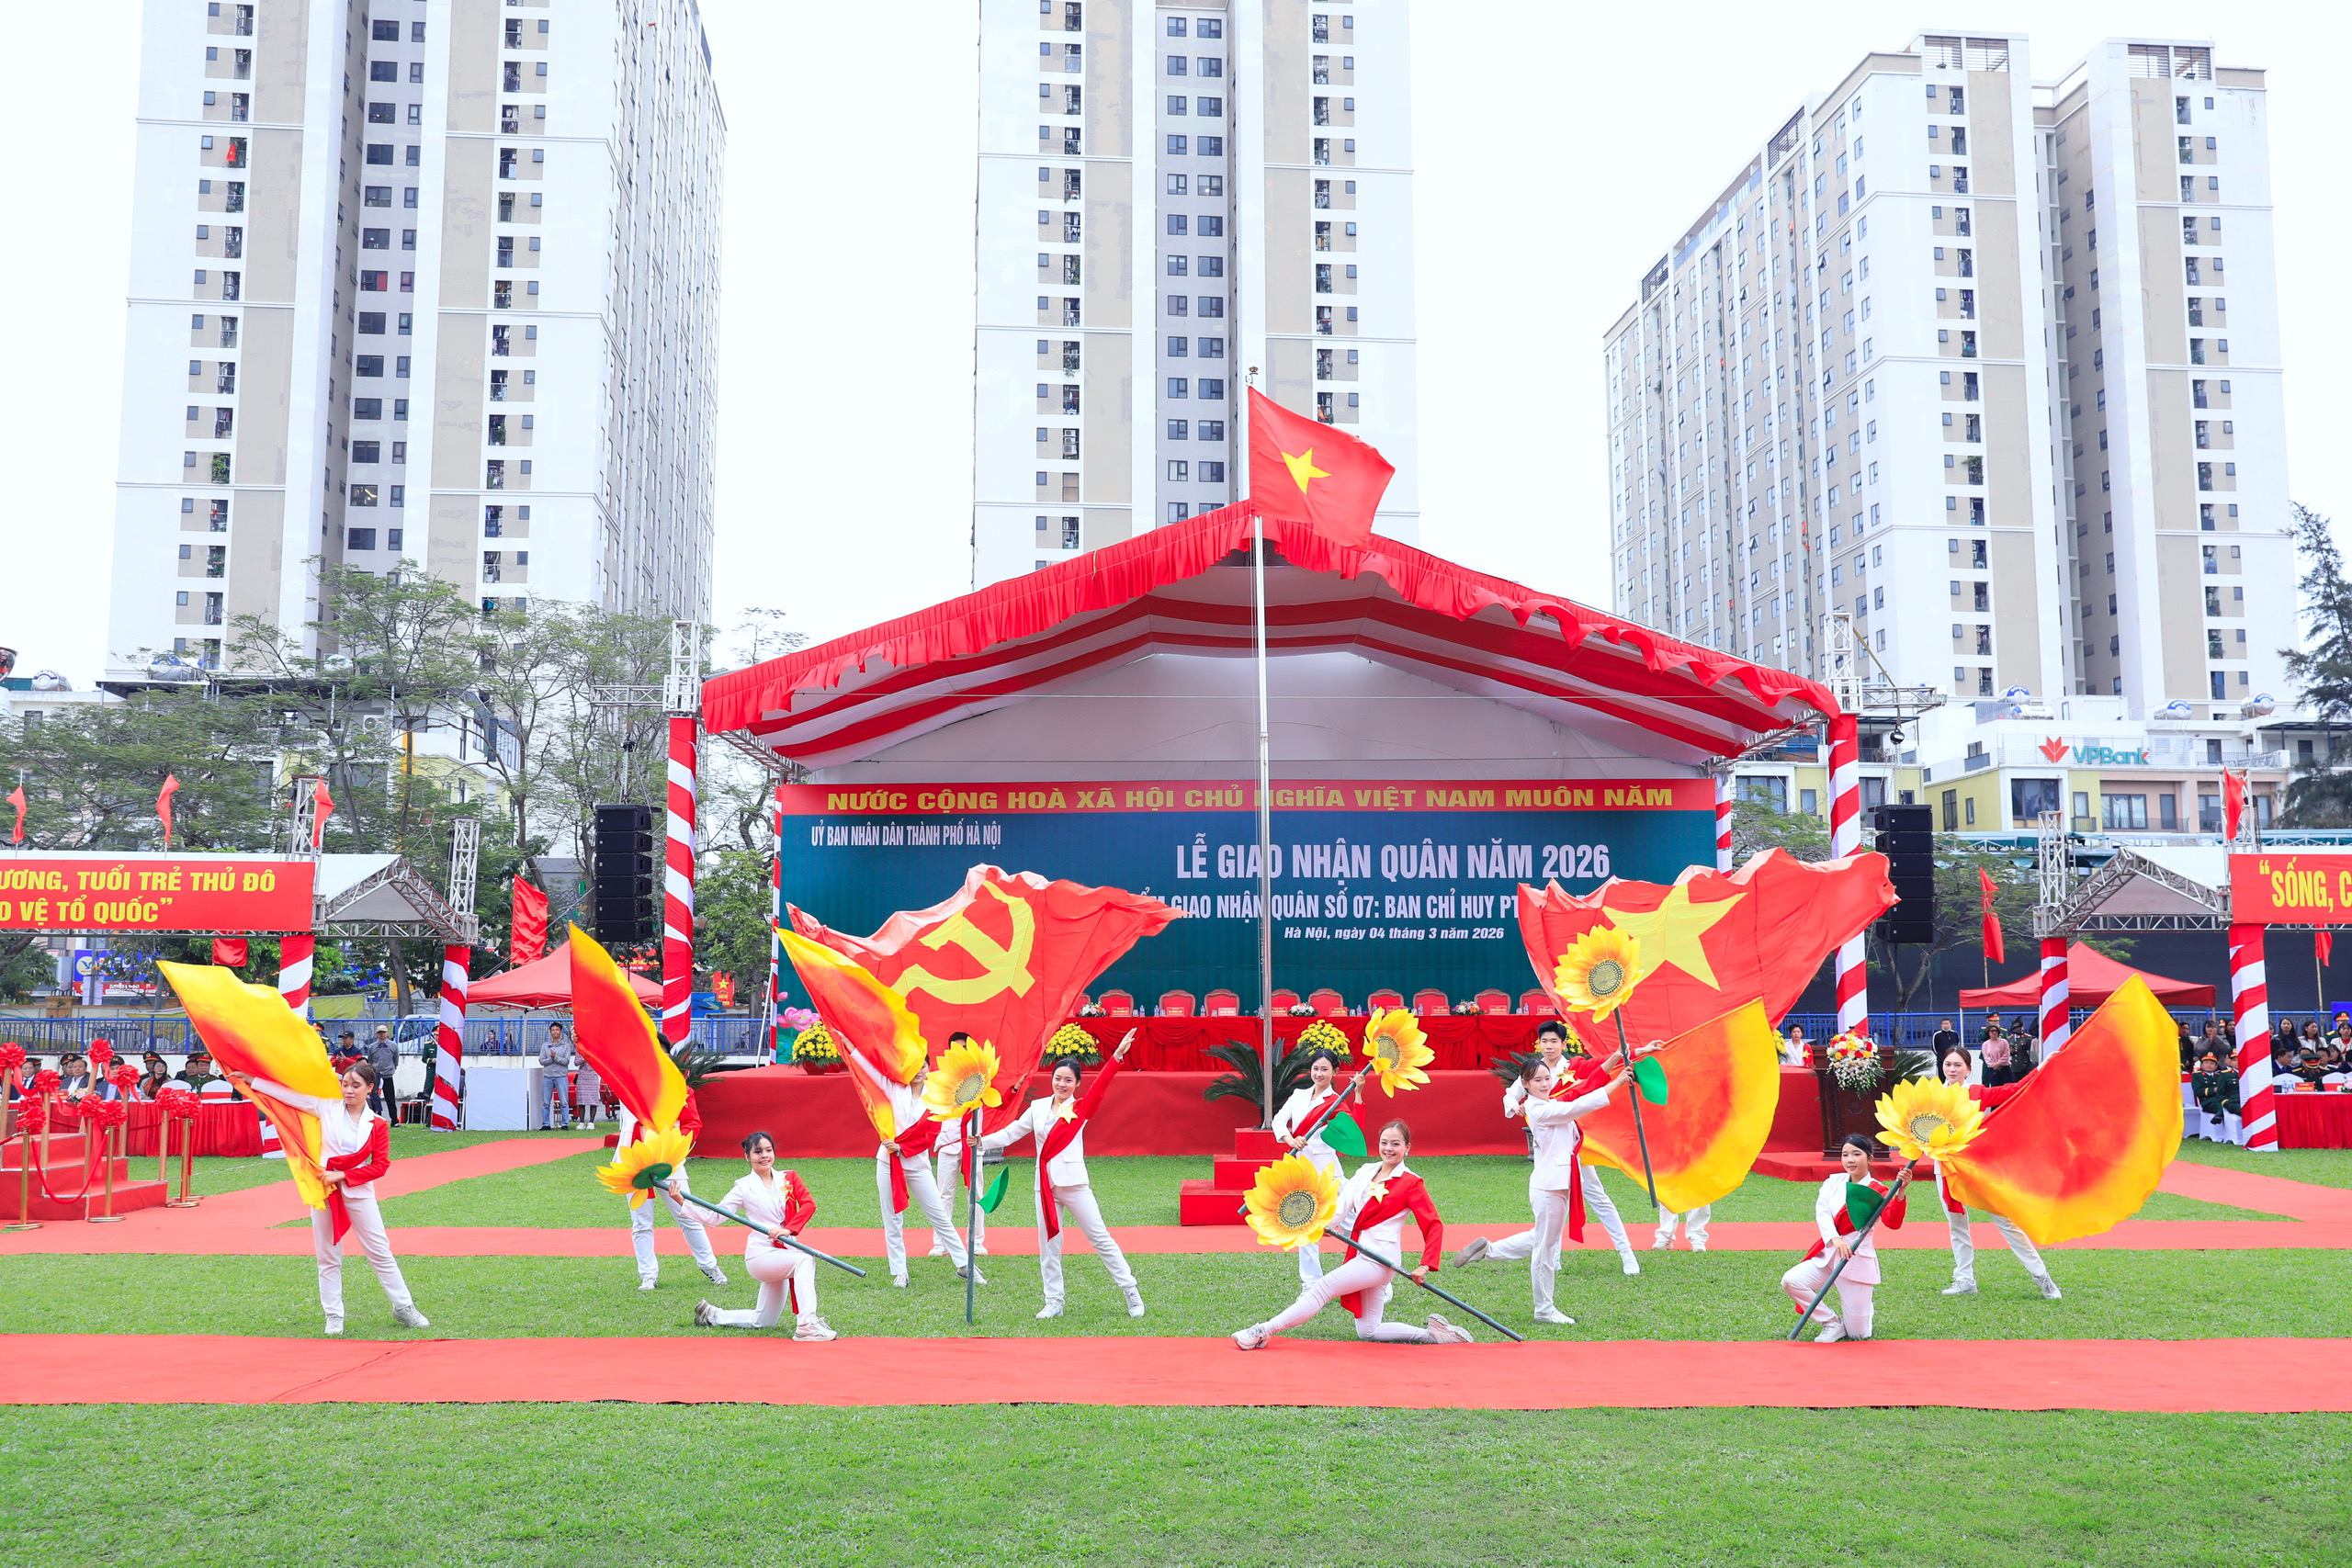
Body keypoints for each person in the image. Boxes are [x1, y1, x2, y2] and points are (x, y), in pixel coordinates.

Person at [1454, 1038, 1653, 1323]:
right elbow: (1581, 1104)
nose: (1546, 1083)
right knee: (1545, 1250)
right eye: (1538, 1080)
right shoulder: (1539, 1109)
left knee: (1542, 1238)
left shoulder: (1549, 1102)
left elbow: (1583, 1086)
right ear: (1526, 1084)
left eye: (1547, 1078)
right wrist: (1618, 1083)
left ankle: (1490, 1251)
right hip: (1549, 1187)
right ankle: (1544, 1309)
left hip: (1556, 1184)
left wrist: (1626, 1056)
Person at [1232, 1119, 1474, 1349]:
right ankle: (1433, 1334)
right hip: (1363, 1254)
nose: (1388, 1149)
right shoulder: (1365, 1171)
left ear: (1407, 1148)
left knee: (1321, 1288)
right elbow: (1342, 1207)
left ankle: (1262, 1331)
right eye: (1384, 1142)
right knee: (1368, 1330)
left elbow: (1433, 1225)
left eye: (1396, 1144)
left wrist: (1425, 1265)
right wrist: (1323, 1225)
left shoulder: (1411, 1183)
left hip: (1380, 1259)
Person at [228, 1061, 429, 1335]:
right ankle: (334, 1315)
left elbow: (380, 1165)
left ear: (370, 1088)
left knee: (380, 1251)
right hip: (325, 1193)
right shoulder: (326, 1107)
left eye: (355, 1085)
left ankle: (403, 1307)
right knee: (328, 1256)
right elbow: (288, 1096)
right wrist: (251, 1080)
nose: (348, 1090)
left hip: (358, 1193)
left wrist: (343, 1176)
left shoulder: (378, 1124)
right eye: (345, 1084)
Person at [979, 1031, 1145, 1320]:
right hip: (1044, 1186)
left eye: (1069, 1080)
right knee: (1049, 1246)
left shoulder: (1080, 1109)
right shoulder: (1037, 1107)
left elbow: (1102, 1087)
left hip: (1074, 1184)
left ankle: (1131, 1291)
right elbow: (1012, 1132)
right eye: (1058, 1078)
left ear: (1077, 1084)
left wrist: (1117, 1056)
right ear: (1052, 1079)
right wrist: (982, 1141)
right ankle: (1054, 1301)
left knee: (1100, 1238)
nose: (1062, 1084)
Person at [1930, 1046, 2061, 1299]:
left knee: (2005, 1221)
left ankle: (2042, 1277)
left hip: (1977, 1166)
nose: (1952, 1069)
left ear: (1969, 1068)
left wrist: (2043, 1066)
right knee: (1957, 1224)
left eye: (1958, 1065)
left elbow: (2014, 1090)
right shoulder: (1931, 1096)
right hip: (1945, 1167)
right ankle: (1964, 1279)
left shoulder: (1977, 1092)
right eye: (1948, 1064)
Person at [693, 1130, 837, 1340]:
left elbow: (808, 1204)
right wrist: (681, 1202)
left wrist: (789, 1229)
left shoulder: (788, 1177)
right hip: (761, 1256)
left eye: (768, 1150)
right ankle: (807, 1325)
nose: (764, 1156)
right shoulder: (743, 1186)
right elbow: (715, 1217)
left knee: (764, 1320)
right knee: (805, 1260)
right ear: (747, 1157)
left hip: (784, 1252)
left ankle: (713, 1315)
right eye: (758, 1152)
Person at [1781, 1134, 1905, 1344]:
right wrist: (1836, 1240)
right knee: (1791, 1281)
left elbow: (1892, 1223)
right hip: (1830, 1255)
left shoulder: (1879, 1190)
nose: (1850, 1160)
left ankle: (1864, 1309)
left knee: (1858, 1334)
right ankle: (1830, 1323)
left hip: (1855, 1262)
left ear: (1870, 1158)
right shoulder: (1833, 1182)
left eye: (1857, 1154)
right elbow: (1822, 1213)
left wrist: (1900, 1193)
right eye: (1845, 1154)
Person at [614, 1088, 729, 1292]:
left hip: (669, 1161)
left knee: (687, 1215)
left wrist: (673, 1145)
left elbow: (693, 1123)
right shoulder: (629, 1087)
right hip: (633, 1160)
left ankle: (710, 1266)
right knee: (641, 1222)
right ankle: (648, 1276)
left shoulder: (679, 1089)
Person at [876, 1060, 979, 1288]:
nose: (919, 1071)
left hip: (917, 1163)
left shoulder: (936, 1097)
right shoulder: (894, 1088)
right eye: (915, 1066)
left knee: (939, 1215)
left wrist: (902, 1147)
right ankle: (900, 1271)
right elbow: (867, 1071)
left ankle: (965, 1265)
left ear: (929, 1069)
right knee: (892, 1219)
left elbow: (931, 1134)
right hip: (888, 1161)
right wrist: (849, 1045)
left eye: (924, 1066)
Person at [1271, 1047, 1349, 1282]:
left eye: (1325, 1069)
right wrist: (1290, 1139)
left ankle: (1377, 1280)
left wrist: (1360, 1093)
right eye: (1316, 1068)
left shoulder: (1336, 1101)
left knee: (1353, 1222)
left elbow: (1348, 1131)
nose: (1319, 1074)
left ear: (1334, 1072)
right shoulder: (1298, 1095)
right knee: (1305, 1225)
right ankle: (1311, 1283)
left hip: (1328, 1168)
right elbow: (1279, 1120)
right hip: (1302, 1169)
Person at [928, 1033, 989, 1260]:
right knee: (943, 1195)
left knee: (976, 1194)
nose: (960, 1051)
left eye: (965, 1047)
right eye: (956, 1048)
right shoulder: (940, 1079)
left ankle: (977, 1242)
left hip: (972, 1143)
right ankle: (940, 1242)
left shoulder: (981, 1077)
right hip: (948, 1144)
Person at [537, 1022, 575, 1131]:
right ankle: (546, 1124)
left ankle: (565, 1124)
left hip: (561, 1076)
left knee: (564, 1101)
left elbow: (566, 1061)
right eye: (553, 1030)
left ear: (561, 1031)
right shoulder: (545, 1045)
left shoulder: (566, 1045)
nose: (555, 1032)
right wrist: (552, 1059)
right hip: (548, 1076)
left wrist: (556, 1057)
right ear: (550, 1032)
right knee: (546, 1102)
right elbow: (542, 1061)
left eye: (557, 1030)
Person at [2191, 1051, 2239, 1127]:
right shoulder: (2197, 1075)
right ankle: (2220, 1119)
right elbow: (2198, 1091)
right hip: (2208, 1101)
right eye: (2206, 1063)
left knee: (2230, 1104)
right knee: (2221, 1107)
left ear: (2217, 1065)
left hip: (2221, 1098)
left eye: (2212, 1063)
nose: (2209, 1065)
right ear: (2202, 1064)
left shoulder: (2220, 1075)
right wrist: (2213, 1090)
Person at [368, 1027, 401, 1122]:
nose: (382, 1034)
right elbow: (370, 1060)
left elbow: (396, 1060)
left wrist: (391, 1069)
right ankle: (375, 1118)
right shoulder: (372, 1047)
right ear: (377, 1034)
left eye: (384, 1032)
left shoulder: (393, 1046)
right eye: (380, 1033)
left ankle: (394, 1120)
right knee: (374, 1098)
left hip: (388, 1075)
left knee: (390, 1098)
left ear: (387, 1033)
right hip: (376, 1075)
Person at [1978, 1016, 2014, 1087]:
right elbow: (1986, 1057)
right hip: (1993, 1069)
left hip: (2004, 1067)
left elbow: (2006, 1054)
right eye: (1992, 1031)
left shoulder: (2004, 1042)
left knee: (2007, 1087)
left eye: (1996, 1031)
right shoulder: (1986, 1044)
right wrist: (1994, 1066)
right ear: (1988, 1033)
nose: (1994, 1032)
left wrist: (1998, 1064)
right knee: (1995, 1088)